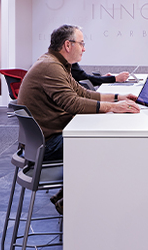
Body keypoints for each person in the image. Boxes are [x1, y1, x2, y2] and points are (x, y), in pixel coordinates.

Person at [17, 25, 140, 163]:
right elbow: (73, 104)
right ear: (68, 45)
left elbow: (83, 93)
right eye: (81, 43)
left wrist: (117, 98)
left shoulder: (56, 63)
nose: (84, 49)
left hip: (46, 139)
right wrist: (112, 107)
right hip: (46, 146)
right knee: (105, 138)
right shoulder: (50, 66)